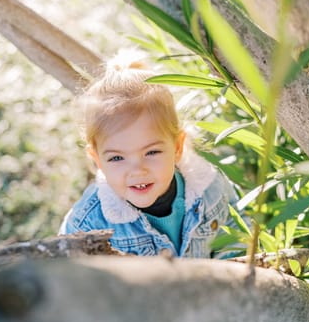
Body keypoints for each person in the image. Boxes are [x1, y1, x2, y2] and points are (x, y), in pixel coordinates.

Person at [58, 49, 239, 258]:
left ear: (178, 147)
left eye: (151, 152)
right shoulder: (89, 222)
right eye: (117, 158)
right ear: (97, 159)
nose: (137, 170)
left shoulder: (208, 188)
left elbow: (235, 228)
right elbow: (69, 270)